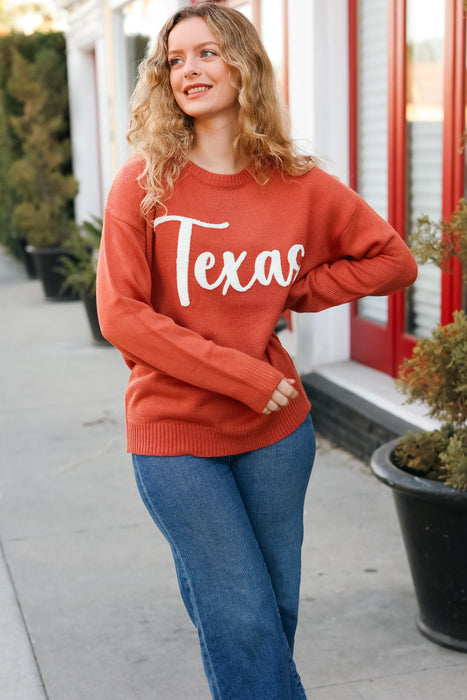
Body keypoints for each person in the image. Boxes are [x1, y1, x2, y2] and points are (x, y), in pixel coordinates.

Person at [96, 3, 418, 698]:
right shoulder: (142, 182)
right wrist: (238, 371)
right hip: (174, 432)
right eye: (175, 59)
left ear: (244, 64)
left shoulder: (298, 185)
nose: (189, 70)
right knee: (240, 615)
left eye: (207, 53)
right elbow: (120, 314)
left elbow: (391, 261)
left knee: (272, 610)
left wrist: (297, 292)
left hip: (276, 433)